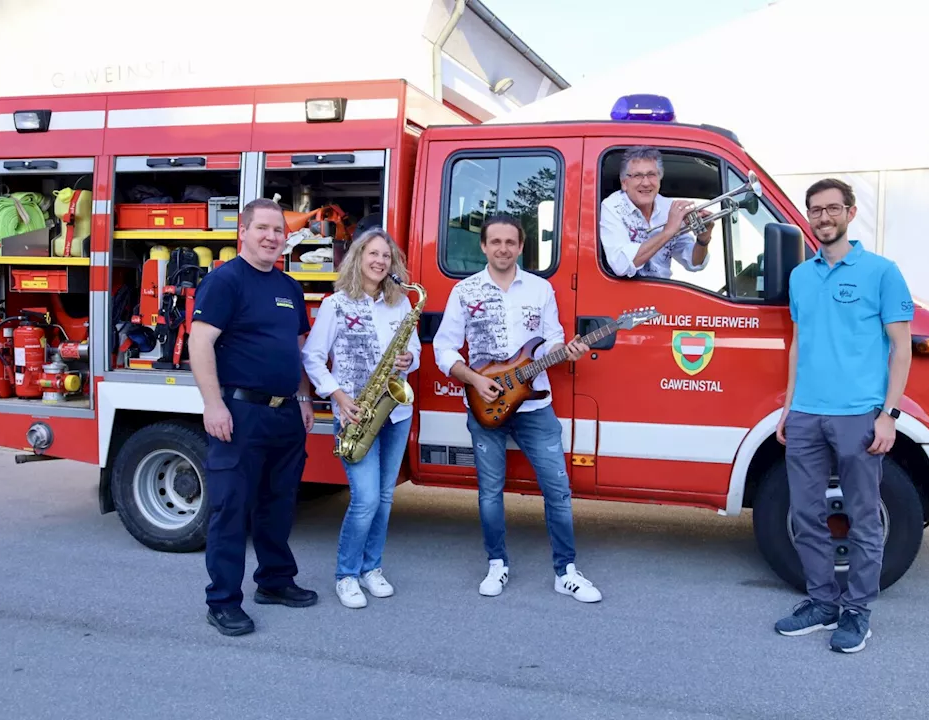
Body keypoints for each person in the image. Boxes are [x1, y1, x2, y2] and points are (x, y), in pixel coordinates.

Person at [773, 178, 914, 654]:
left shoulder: (882, 272)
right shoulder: (800, 276)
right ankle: (822, 603)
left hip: (858, 416)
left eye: (833, 209)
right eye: (816, 210)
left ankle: (857, 613)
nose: (823, 217)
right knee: (806, 514)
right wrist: (789, 408)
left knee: (863, 518)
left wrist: (889, 414)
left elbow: (901, 348)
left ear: (851, 213)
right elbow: (798, 344)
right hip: (808, 414)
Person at [432, 212, 603, 603]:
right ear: (484, 246)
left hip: (536, 406)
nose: (503, 248)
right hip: (485, 405)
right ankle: (497, 564)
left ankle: (566, 572)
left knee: (557, 490)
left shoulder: (540, 290)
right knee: (490, 492)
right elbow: (443, 349)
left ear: (521, 247)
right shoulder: (465, 292)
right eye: (496, 242)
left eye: (511, 242)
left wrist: (568, 351)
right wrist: (475, 380)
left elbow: (551, 342)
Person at [188, 197, 318, 637]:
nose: (271, 237)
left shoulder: (288, 286)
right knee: (231, 509)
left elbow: (294, 351)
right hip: (240, 413)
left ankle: (275, 581)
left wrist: (303, 398)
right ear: (242, 232)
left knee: (278, 505)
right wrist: (213, 404)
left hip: (283, 416)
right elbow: (200, 343)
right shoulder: (225, 281)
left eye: (278, 231)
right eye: (262, 228)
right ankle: (223, 601)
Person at [301, 228, 420, 609]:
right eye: (373, 253)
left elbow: (413, 350)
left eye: (386, 256)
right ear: (358, 257)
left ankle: (372, 568)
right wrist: (337, 395)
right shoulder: (337, 304)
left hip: (395, 411)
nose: (380, 261)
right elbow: (313, 357)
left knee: (384, 498)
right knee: (366, 498)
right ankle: (346, 574)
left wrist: (408, 359)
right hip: (355, 412)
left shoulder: (400, 302)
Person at [598, 145, 714, 280]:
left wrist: (703, 240)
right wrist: (668, 232)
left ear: (660, 179)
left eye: (651, 175)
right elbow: (621, 265)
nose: (646, 183)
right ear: (624, 183)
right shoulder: (612, 206)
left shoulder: (669, 208)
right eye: (637, 176)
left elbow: (694, 263)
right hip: (625, 295)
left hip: (661, 292)